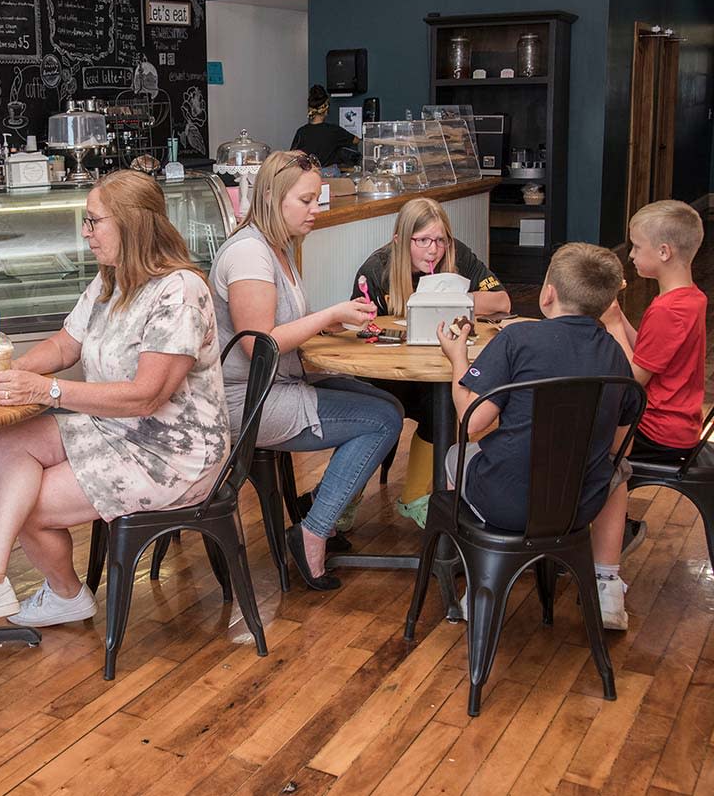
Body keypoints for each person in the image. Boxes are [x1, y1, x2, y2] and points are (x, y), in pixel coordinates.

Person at [0, 170, 230, 633]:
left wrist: (49, 390)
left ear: (132, 225)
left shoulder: (178, 291)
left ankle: (60, 595)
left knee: (24, 504)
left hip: (174, 454)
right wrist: (19, 370)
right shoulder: (112, 281)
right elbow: (66, 344)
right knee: (16, 437)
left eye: (94, 221)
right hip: (115, 428)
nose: (85, 232)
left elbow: (146, 396)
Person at [209, 150, 403, 589]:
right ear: (274, 199)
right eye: (307, 200)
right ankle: (313, 532)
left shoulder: (276, 247)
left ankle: (318, 507)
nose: (317, 210)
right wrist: (328, 313)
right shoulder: (249, 256)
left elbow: (283, 329)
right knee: (383, 420)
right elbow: (262, 343)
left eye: (317, 199)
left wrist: (333, 319)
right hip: (247, 400)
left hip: (275, 384)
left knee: (386, 401)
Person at [437, 243, 640, 629]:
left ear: (548, 293)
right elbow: (617, 444)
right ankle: (607, 586)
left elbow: (472, 420)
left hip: (505, 503)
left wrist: (457, 357)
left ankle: (478, 583)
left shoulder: (516, 340)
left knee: (454, 453)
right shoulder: (614, 354)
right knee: (617, 472)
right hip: (578, 508)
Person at [351, 197, 510, 527]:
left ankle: (416, 497)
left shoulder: (458, 255)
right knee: (375, 411)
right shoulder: (375, 270)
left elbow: (501, 300)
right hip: (390, 373)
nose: (433, 250)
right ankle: (347, 500)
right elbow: (364, 331)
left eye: (439, 240)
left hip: (440, 366)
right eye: (422, 240)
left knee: (443, 408)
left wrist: (452, 298)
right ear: (399, 241)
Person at [600, 200, 707, 559]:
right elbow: (648, 351)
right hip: (679, 423)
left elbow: (633, 379)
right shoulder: (690, 298)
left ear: (663, 252)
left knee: (583, 441)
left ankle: (606, 539)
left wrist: (614, 326)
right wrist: (619, 317)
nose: (630, 254)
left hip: (658, 430)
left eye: (636, 246)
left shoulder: (668, 310)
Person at [290, 85, 360, 168]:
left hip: (307, 175)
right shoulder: (334, 131)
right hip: (329, 176)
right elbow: (356, 140)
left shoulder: (301, 132)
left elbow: (292, 155)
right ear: (326, 110)